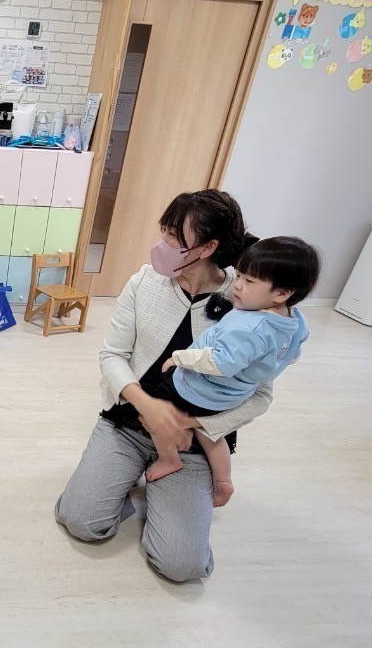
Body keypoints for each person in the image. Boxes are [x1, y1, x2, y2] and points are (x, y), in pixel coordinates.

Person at [55, 189, 273, 582]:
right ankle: (127, 480)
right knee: (81, 521)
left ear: (207, 248)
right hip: (128, 423)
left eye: (174, 236)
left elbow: (260, 395)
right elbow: (112, 356)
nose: (162, 243)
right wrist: (148, 407)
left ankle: (165, 489)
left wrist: (193, 424)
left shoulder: (248, 302)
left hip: (193, 442)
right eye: (164, 230)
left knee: (182, 566)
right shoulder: (144, 282)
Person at [147, 236, 319, 506]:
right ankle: (223, 481)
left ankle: (169, 459)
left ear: (282, 293)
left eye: (249, 281)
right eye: (238, 275)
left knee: (153, 414)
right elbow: (293, 355)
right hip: (233, 395)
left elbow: (220, 363)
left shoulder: (247, 325)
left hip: (197, 389)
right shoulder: (295, 321)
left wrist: (179, 358)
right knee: (211, 434)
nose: (236, 285)